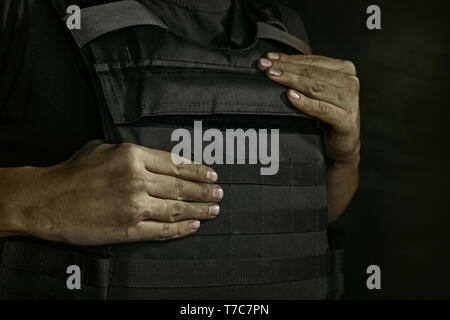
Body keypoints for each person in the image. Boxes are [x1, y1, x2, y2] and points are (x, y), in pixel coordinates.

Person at [0, 0, 360, 299]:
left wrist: (345, 158)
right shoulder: (24, 13)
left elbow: (301, 221)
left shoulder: (284, 30)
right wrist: (34, 201)